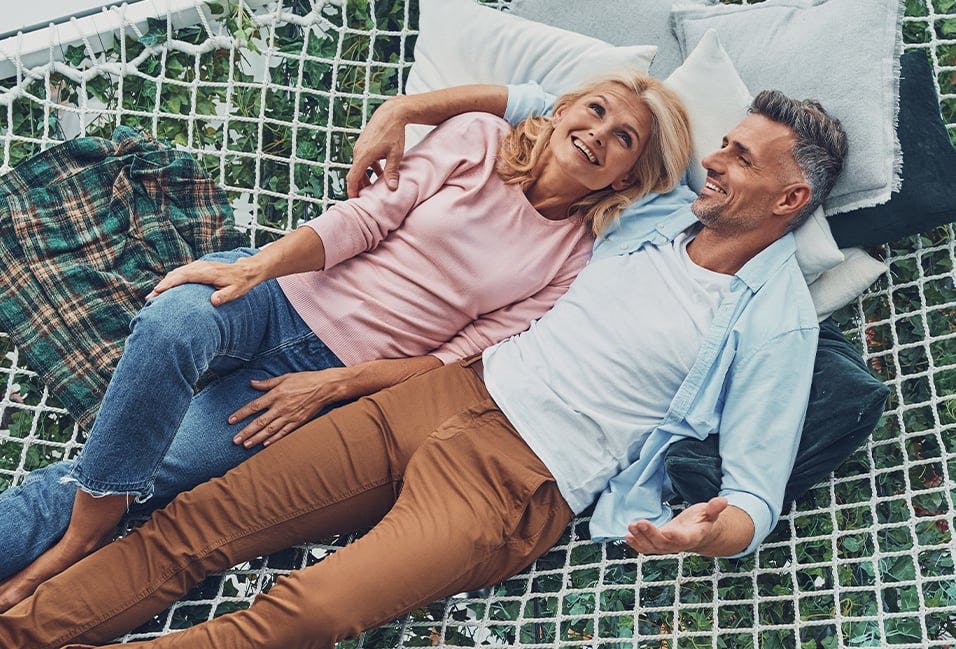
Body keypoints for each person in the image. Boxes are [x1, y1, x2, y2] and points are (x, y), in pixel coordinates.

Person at [0, 86, 847, 649]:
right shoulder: (656, 209)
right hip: (438, 394)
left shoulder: (774, 323)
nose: (715, 162)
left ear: (789, 200)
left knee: (306, 610)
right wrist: (404, 107)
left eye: (739, 158)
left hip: (520, 477)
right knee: (193, 526)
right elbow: (555, 109)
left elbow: (753, 496)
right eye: (723, 143)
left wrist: (700, 534)